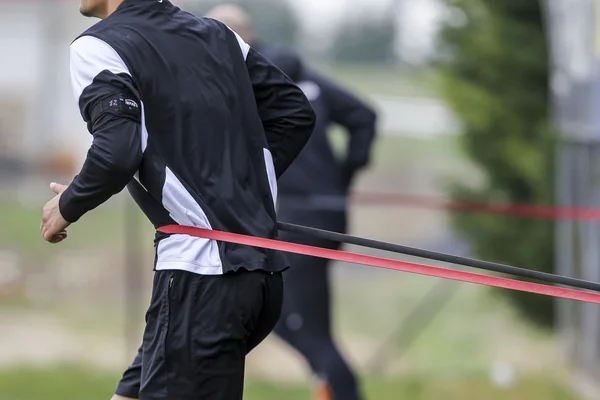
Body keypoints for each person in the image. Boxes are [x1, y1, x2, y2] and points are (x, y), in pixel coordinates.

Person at [40, 0, 316, 399]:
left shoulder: (96, 46)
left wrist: (66, 207)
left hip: (202, 281)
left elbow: (118, 151)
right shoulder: (218, 35)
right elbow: (293, 114)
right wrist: (236, 190)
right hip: (255, 282)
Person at [206, 5, 378, 400]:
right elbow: (364, 117)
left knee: (274, 313)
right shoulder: (296, 75)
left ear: (224, 39)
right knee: (309, 320)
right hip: (327, 213)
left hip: (296, 218)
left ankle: (340, 386)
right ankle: (329, 383)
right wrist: (343, 178)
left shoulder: (240, 83)